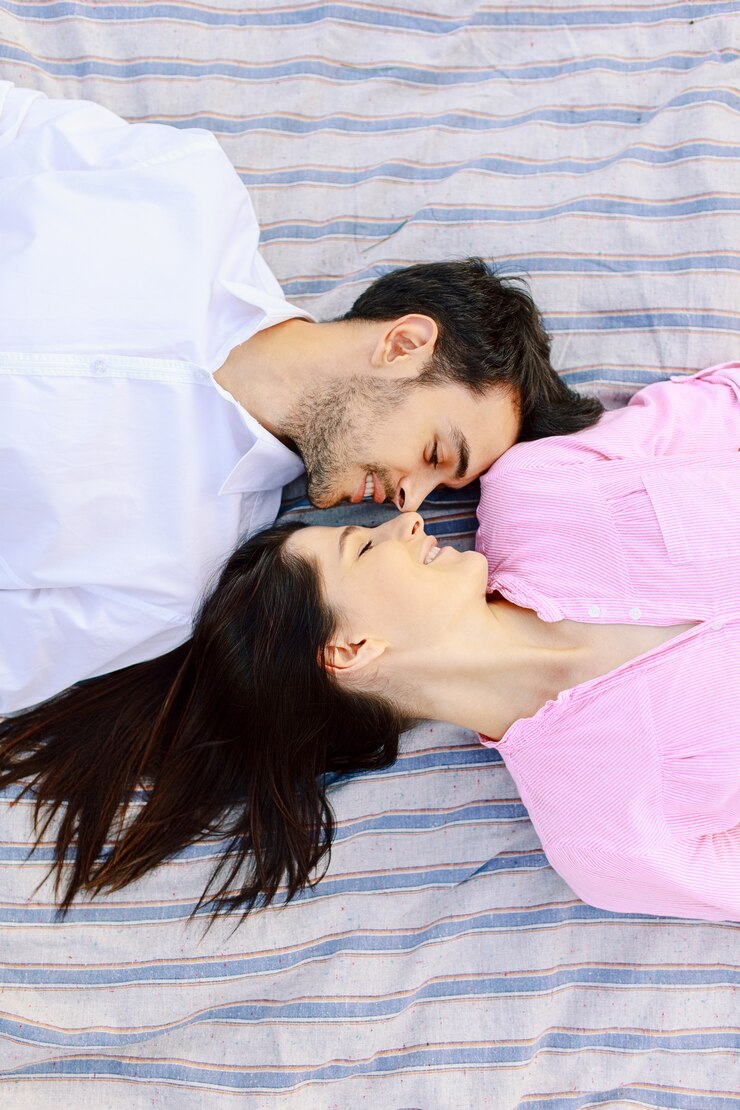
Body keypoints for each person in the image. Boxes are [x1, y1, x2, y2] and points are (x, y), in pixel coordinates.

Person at [2, 363, 738, 921]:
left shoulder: (541, 488)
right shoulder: (604, 836)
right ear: (350, 650)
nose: (410, 521)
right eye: (362, 546)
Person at [0, 80, 602, 714]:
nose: (408, 501)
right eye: (434, 453)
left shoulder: (177, 579)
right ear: (404, 344)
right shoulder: (185, 191)